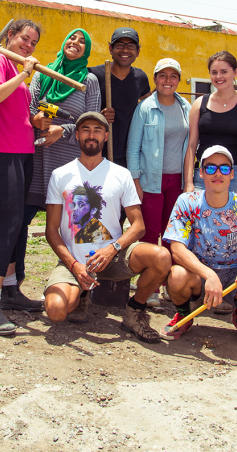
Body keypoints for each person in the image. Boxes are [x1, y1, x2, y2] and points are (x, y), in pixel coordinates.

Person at [42, 112, 170, 343]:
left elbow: (139, 226)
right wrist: (74, 265)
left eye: (97, 130)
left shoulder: (121, 174)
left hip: (114, 256)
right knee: (56, 311)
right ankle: (81, 292)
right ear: (78, 135)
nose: (92, 135)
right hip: (76, 260)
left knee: (161, 256)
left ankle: (134, 311)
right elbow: (51, 231)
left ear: (106, 136)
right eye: (86, 130)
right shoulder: (60, 174)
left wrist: (113, 248)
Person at [160, 146, 237, 345]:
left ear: (232, 174)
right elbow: (177, 249)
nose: (217, 174)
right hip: (198, 274)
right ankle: (184, 315)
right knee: (176, 276)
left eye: (224, 169)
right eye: (210, 168)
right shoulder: (186, 202)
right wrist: (210, 275)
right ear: (201, 172)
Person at [0, 18, 44, 336]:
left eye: (33, 43)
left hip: (23, 150)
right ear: (10, 36)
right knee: (11, 221)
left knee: (18, 224)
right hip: (2, 151)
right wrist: (23, 73)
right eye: (24, 39)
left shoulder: (17, 69)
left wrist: (37, 119)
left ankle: (10, 289)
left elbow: (14, 111)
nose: (28, 46)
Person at [23, 27, 102, 258]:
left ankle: (88, 278)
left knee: (82, 227)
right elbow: (27, 110)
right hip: (37, 164)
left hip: (70, 167)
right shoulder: (42, 73)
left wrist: (64, 130)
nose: (75, 42)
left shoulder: (89, 81)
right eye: (71, 37)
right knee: (19, 225)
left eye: (82, 42)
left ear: (86, 50)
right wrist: (35, 120)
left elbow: (92, 124)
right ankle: (11, 282)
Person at [126, 58, 191, 247]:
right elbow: (133, 147)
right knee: (150, 234)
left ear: (178, 80)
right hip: (150, 181)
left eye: (173, 76)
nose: (167, 80)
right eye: (162, 75)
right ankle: (152, 275)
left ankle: (170, 276)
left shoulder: (186, 107)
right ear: (155, 79)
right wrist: (135, 182)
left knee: (173, 234)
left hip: (177, 182)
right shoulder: (144, 107)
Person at [183, 51, 237, 197]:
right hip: (205, 173)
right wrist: (189, 182)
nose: (218, 77)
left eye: (224, 72)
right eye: (214, 72)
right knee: (202, 218)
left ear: (235, 72)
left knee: (235, 218)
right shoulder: (199, 104)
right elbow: (191, 145)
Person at [88, 27, 150, 169]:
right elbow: (79, 109)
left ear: (138, 51)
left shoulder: (140, 78)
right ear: (111, 49)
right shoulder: (93, 75)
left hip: (129, 155)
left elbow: (149, 106)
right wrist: (98, 117)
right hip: (97, 153)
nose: (125, 50)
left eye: (131, 46)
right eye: (120, 45)